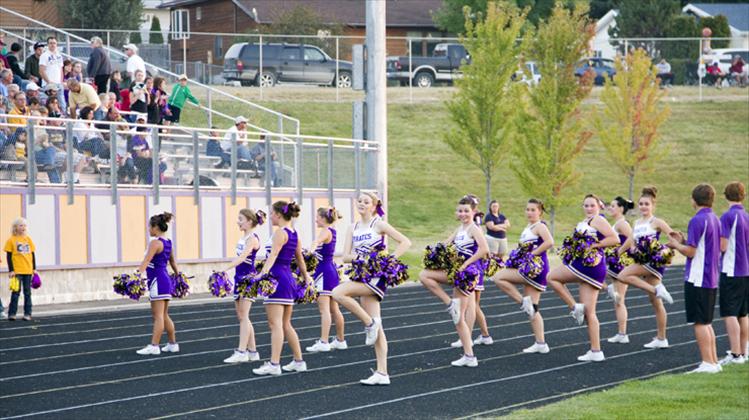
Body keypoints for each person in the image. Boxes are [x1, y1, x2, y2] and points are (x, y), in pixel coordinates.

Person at [332, 192, 411, 385]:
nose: (361, 203)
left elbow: (405, 242)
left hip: (376, 277)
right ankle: (382, 373)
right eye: (359, 201)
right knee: (379, 327)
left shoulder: (379, 224)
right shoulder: (353, 227)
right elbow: (346, 256)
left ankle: (368, 323)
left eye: (366, 202)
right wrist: (363, 258)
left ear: (374, 206)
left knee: (337, 293)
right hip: (361, 274)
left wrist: (389, 260)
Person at [548, 194, 619, 362]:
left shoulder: (598, 220)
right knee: (590, 312)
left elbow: (614, 239)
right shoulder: (587, 221)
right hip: (585, 264)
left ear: (599, 206)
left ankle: (574, 307)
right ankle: (596, 351)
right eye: (585, 205)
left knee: (552, 277)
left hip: (589, 265)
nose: (588, 208)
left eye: (591, 205)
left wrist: (594, 245)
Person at [420, 195, 489, 367]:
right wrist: (434, 253)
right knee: (424, 275)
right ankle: (468, 354)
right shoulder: (460, 229)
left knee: (459, 317)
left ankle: (470, 356)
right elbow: (445, 244)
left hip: (467, 273)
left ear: (473, 212)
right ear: (456, 213)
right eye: (460, 211)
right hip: (457, 272)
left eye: (466, 211)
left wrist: (465, 264)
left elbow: (484, 250)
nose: (463, 213)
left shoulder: (474, 229)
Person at [668, 184, 721, 373]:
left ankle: (707, 362)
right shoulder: (714, 218)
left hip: (698, 277)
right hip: (711, 276)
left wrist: (675, 244)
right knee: (706, 322)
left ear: (694, 199)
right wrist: (682, 241)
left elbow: (691, 252)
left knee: (699, 322)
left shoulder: (697, 220)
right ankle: (713, 361)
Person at [252, 201, 310, 376]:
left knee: (275, 323)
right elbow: (299, 259)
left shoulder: (280, 233)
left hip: (277, 279)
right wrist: (306, 276)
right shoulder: (294, 233)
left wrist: (261, 274)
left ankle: (274, 364)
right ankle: (299, 361)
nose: (269, 216)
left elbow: (273, 255)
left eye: (271, 213)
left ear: (278, 214)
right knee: (285, 323)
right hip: (288, 279)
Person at [491, 198, 554, 353]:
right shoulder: (529, 226)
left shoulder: (540, 226)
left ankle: (522, 301)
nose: (530, 212)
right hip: (528, 267)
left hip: (536, 268)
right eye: (528, 209)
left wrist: (532, 253)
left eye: (533, 210)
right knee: (533, 308)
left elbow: (550, 242)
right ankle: (541, 343)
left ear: (540, 212)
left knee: (499, 277)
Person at [617, 187, 675, 349]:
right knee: (656, 303)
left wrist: (661, 248)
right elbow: (633, 241)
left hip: (653, 261)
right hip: (642, 260)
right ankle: (662, 338)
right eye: (641, 204)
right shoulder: (636, 223)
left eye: (646, 204)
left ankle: (657, 289)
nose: (643, 206)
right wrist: (630, 249)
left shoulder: (656, 222)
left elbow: (674, 237)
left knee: (623, 275)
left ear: (653, 206)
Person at [222, 208, 264, 364]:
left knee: (244, 316)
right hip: (239, 278)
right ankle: (253, 352)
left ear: (250, 221)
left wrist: (224, 268)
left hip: (248, 279)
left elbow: (242, 258)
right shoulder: (244, 237)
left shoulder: (252, 239)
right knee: (241, 316)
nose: (238, 222)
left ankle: (241, 351)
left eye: (241, 219)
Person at [135, 212, 180, 355]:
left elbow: (147, 260)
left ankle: (154, 346)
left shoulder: (155, 243)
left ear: (156, 227)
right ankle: (173, 344)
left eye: (150, 226)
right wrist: (178, 275)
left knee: (158, 316)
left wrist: (136, 275)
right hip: (165, 279)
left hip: (157, 281)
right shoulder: (168, 243)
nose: (148, 229)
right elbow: (172, 262)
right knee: (164, 315)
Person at [306, 207, 348, 353]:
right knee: (334, 309)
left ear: (324, 218)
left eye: (317, 217)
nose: (316, 219)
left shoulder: (325, 231)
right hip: (331, 271)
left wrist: (309, 253)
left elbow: (316, 242)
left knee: (324, 310)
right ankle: (340, 340)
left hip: (324, 273)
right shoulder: (332, 230)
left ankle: (324, 341)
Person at [717, 181, 749, 365]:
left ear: (726, 195)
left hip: (731, 269)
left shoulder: (728, 216)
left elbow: (723, 245)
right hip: (745, 270)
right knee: (743, 313)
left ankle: (736, 354)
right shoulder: (747, 216)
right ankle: (743, 352)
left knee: (729, 312)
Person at [605, 196, 635, 344]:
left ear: (621, 209)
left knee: (619, 300)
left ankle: (623, 334)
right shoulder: (617, 223)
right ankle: (621, 333)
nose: (610, 208)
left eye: (613, 206)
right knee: (617, 299)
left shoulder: (622, 223)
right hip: (614, 263)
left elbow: (632, 238)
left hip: (621, 263)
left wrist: (620, 251)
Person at [4, 218, 37, 321]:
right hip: (17, 271)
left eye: (24, 226)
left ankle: (28, 313)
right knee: (15, 292)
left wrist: (34, 268)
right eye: (20, 225)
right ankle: (12, 313)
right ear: (15, 227)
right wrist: (11, 270)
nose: (23, 228)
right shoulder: (11, 240)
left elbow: (32, 254)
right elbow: (9, 256)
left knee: (27, 293)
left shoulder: (28, 239)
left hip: (27, 270)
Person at [39, 37, 66, 111]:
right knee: (48, 104)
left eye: (54, 43)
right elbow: (41, 71)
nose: (53, 45)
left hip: (58, 84)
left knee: (62, 104)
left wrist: (61, 82)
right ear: (48, 45)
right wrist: (48, 82)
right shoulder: (44, 55)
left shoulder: (59, 55)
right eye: (51, 43)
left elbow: (61, 69)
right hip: (48, 84)